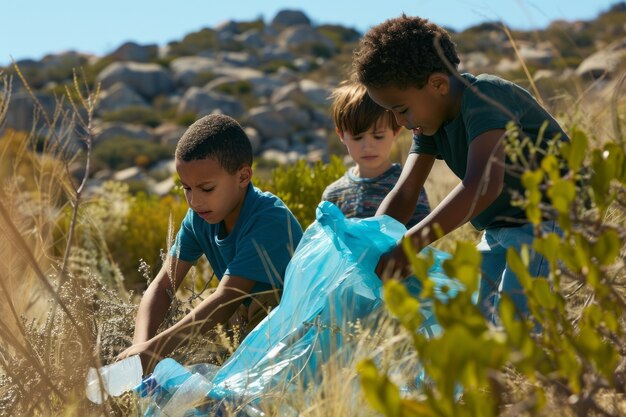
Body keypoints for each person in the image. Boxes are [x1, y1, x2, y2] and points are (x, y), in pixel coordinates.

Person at [352, 15, 568, 322]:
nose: (400, 122)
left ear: (438, 84)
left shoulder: (485, 97)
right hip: (499, 231)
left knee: (516, 329)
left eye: (401, 109)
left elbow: (482, 185)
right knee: (482, 327)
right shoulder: (431, 125)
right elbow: (405, 192)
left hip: (548, 222)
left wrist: (411, 246)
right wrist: (374, 242)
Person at [118, 114, 303, 371]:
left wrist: (155, 351)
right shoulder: (199, 218)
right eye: (186, 188)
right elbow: (163, 285)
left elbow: (226, 298)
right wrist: (140, 348)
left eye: (206, 189)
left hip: (293, 339)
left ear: (243, 176)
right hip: (246, 332)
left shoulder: (270, 220)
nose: (194, 201)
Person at [322, 81, 431, 228]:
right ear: (341, 135)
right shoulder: (333, 194)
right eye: (357, 137)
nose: (368, 147)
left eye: (378, 136)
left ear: (396, 132)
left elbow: (422, 237)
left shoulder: (408, 184)